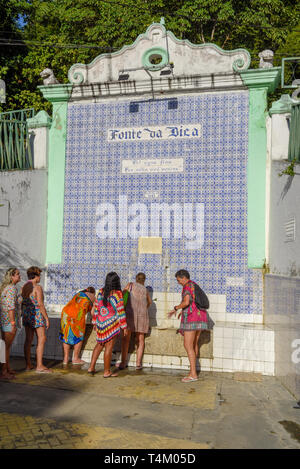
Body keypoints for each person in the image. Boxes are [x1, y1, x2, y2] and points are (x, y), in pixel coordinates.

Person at [168, 269, 208, 383]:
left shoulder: (187, 286)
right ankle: (192, 371)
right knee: (194, 344)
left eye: (178, 280)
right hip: (200, 317)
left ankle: (193, 375)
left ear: (183, 277)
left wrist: (176, 308)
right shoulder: (194, 285)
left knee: (187, 345)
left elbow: (186, 302)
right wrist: (183, 311)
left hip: (192, 319)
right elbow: (192, 302)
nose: (178, 282)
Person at [88, 272, 128, 377]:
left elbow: (96, 308)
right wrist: (124, 327)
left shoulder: (101, 292)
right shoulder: (117, 294)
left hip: (101, 323)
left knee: (99, 344)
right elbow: (120, 311)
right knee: (109, 347)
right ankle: (106, 371)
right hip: (112, 325)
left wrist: (95, 322)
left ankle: (91, 367)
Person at [117, 272, 152, 370]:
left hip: (130, 314)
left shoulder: (130, 285)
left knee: (126, 339)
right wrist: (143, 308)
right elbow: (150, 302)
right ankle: (138, 364)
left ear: (136, 278)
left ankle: (123, 363)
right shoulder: (145, 290)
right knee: (140, 340)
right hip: (142, 315)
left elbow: (122, 294)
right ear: (144, 280)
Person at [21, 266, 51, 373]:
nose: (40, 278)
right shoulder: (37, 287)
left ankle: (28, 365)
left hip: (27, 315)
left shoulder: (24, 286)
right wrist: (46, 318)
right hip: (36, 315)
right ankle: (39, 365)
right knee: (42, 339)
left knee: (28, 340)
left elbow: (22, 302)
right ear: (36, 276)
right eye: (40, 275)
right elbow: (41, 305)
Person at [59, 287, 96, 365]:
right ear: (93, 292)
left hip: (65, 313)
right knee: (79, 335)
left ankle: (65, 359)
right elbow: (93, 313)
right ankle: (75, 358)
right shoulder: (93, 297)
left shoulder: (79, 293)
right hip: (77, 316)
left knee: (66, 335)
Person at [0, 267, 21, 379]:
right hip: (8, 321)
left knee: (4, 347)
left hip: (4, 320)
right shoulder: (12, 288)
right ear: (12, 276)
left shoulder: (6, 288)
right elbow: (10, 307)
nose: (19, 276)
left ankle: (6, 368)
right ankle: (3, 372)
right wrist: (13, 323)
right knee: (6, 348)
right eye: (17, 274)